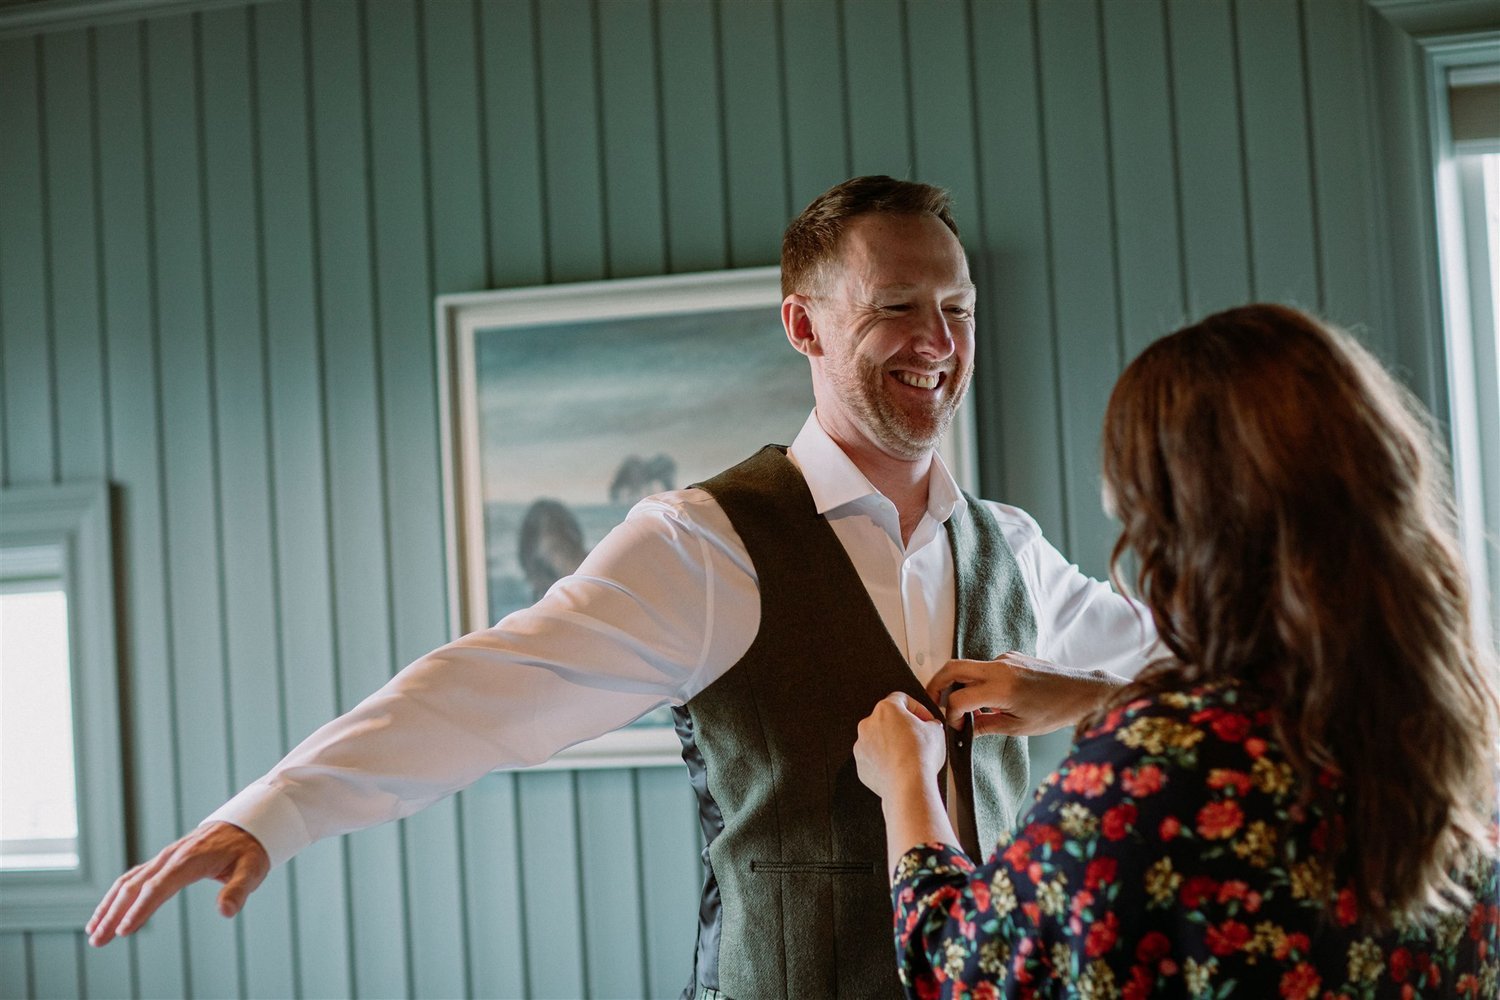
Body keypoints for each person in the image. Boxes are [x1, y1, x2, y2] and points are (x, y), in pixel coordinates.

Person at [86, 176, 1157, 999]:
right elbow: (485, 691)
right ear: (805, 325)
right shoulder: (708, 543)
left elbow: (1211, 689)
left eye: (958, 307)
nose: (937, 341)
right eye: (897, 307)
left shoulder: (1013, 550)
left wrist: (1087, 697)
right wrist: (273, 811)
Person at [854, 304, 1500, 999]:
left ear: (1185, 530)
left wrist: (907, 785)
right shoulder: (1451, 743)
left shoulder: (1145, 779)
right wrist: (1102, 697)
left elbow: (960, 969)